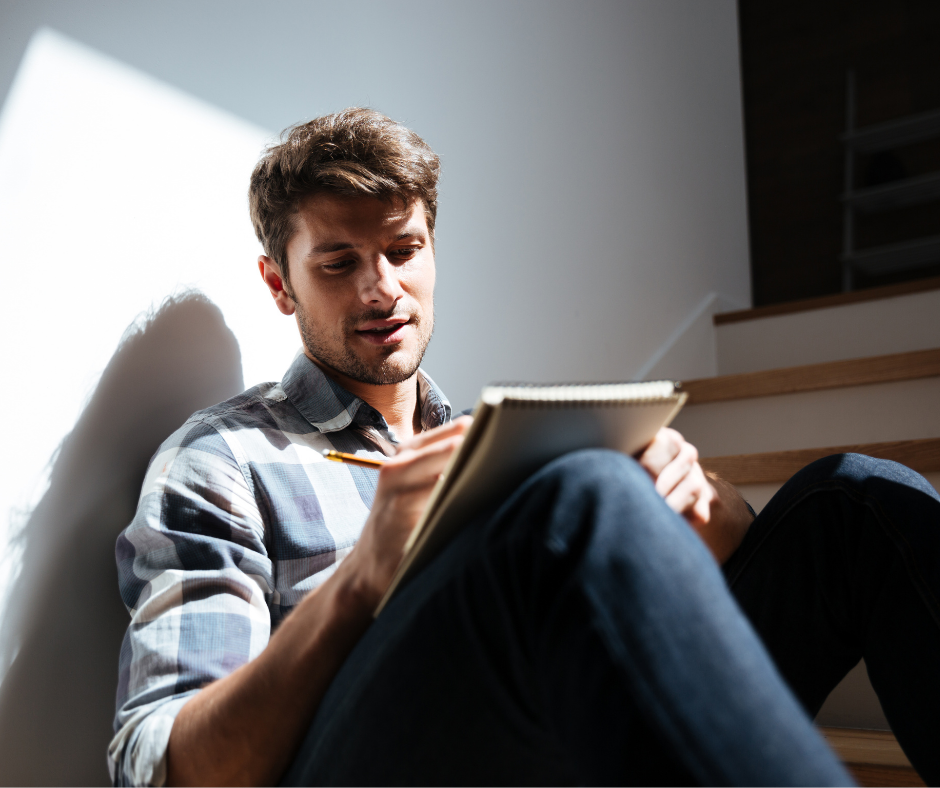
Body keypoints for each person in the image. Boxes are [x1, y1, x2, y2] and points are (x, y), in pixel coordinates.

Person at [110, 108, 940, 787]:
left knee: (852, 500)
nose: (382, 288)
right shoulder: (221, 459)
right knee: (581, 495)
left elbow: (710, 585)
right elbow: (168, 766)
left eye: (403, 251)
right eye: (338, 263)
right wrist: (362, 580)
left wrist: (704, 505)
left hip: (558, 725)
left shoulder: (495, 437)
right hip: (384, 757)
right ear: (278, 282)